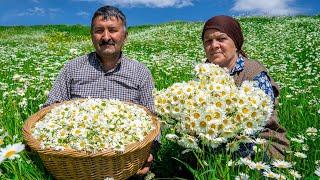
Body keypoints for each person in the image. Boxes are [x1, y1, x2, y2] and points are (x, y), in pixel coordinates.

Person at [43, 5, 156, 177]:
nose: (106, 37)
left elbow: (154, 118)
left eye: (113, 30)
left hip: (124, 162)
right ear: (91, 36)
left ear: (125, 36)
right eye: (99, 31)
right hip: (76, 163)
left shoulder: (141, 73)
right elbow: (49, 108)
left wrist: (149, 153)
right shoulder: (72, 68)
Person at [201, 15, 289, 159]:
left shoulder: (253, 72)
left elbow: (258, 122)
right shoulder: (202, 75)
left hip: (259, 141)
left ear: (235, 43)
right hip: (213, 141)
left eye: (221, 39)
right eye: (208, 41)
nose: (214, 45)